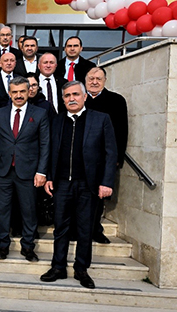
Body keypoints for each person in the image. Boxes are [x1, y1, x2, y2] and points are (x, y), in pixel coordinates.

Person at [40, 81, 117, 289]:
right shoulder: (56, 120)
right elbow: (50, 151)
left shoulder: (101, 119)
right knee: (60, 228)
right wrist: (49, 177)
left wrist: (106, 182)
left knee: (85, 229)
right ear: (63, 99)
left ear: (84, 96)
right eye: (67, 96)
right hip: (61, 184)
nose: (71, 98)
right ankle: (58, 267)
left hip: (88, 185)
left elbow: (111, 153)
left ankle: (81, 269)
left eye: (75, 94)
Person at [0, 76, 49, 263]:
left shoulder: (39, 113)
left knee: (29, 210)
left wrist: (41, 172)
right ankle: (2, 245)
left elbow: (45, 145)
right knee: (2, 210)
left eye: (22, 91)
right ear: (9, 93)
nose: (18, 95)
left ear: (29, 92)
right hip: (2, 170)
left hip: (29, 171)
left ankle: (28, 246)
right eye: (14, 92)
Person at [84, 66, 128, 244]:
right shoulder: (79, 98)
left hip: (103, 159)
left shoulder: (116, 101)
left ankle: (95, 229)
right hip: (80, 157)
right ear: (85, 80)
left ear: (105, 81)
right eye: (91, 78)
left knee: (97, 197)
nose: (94, 82)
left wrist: (117, 158)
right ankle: (75, 229)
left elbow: (122, 131)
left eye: (98, 79)